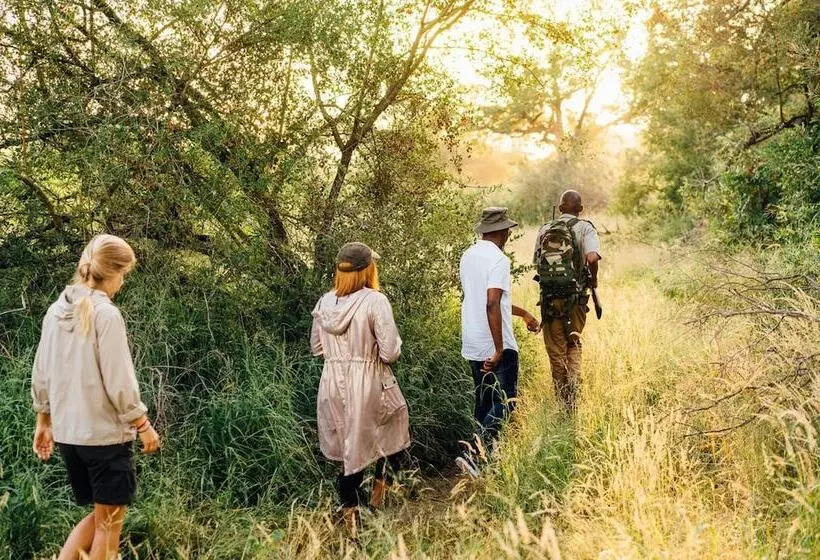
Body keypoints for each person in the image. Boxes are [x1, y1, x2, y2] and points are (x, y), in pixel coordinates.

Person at [31, 234, 160, 560]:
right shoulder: (106, 314)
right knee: (109, 525)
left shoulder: (55, 312)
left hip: (70, 437)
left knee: (101, 516)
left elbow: (41, 372)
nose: (121, 283)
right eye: (123, 275)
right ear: (112, 272)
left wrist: (43, 421)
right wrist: (142, 423)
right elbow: (120, 382)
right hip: (104, 437)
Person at [310, 242, 410, 535]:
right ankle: (375, 506)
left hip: (331, 382)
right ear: (367, 269)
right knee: (395, 436)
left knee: (348, 449)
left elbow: (316, 347)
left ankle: (351, 517)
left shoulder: (324, 303)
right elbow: (390, 352)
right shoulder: (375, 301)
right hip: (368, 381)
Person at [457, 207, 540, 478]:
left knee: (484, 401)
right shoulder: (499, 260)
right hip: (493, 342)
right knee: (507, 400)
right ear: (503, 231)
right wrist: (499, 348)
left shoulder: (467, 256)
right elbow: (491, 302)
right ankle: (472, 454)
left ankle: (483, 460)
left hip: (471, 338)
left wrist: (524, 313)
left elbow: (489, 299)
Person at [533, 189, 602, 413]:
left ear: (560, 208)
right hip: (577, 301)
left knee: (556, 351)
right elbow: (592, 257)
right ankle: (573, 397)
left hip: (550, 301)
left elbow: (537, 263)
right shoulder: (586, 228)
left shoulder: (545, 229)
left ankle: (562, 403)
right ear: (580, 210)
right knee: (574, 343)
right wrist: (594, 280)